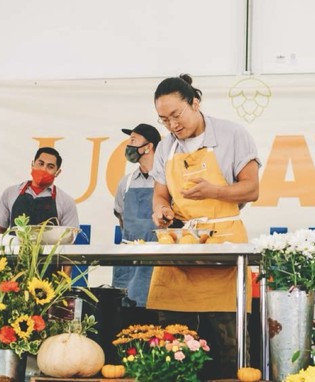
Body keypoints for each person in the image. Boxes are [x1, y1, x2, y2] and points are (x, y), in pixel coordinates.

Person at [148, 74, 260, 379]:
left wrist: (214, 191)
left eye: (176, 115)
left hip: (223, 247)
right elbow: (160, 193)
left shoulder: (232, 134)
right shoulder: (165, 148)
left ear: (195, 103)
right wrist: (162, 210)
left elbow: (251, 189)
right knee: (170, 342)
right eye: (164, 120)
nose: (172, 126)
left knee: (230, 345)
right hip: (182, 245)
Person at [112, 123, 161, 316]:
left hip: (158, 261)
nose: (129, 146)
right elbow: (121, 218)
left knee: (157, 317)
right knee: (126, 317)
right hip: (129, 262)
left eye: (133, 141)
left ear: (148, 147)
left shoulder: (166, 180)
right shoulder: (126, 182)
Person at [0, 147, 79, 233]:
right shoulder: (10, 193)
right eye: (40, 164)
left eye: (50, 167)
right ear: (32, 164)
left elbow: (69, 240)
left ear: (57, 172)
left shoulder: (67, 202)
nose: (43, 169)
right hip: (15, 247)